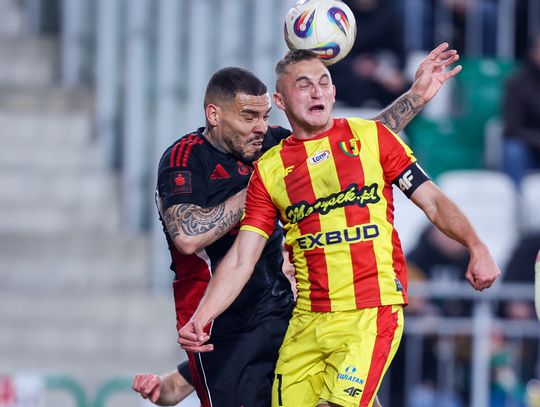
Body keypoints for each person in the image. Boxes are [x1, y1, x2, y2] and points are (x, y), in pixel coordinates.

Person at [178, 49, 500, 407]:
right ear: (281, 101)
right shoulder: (269, 171)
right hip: (307, 323)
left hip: (370, 312)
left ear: (333, 92)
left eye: (324, 83)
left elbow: (433, 201)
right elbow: (242, 258)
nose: (317, 92)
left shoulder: (372, 138)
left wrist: (477, 246)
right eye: (304, 85)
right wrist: (202, 317)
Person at [502, 32, 540, 186]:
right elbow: (513, 128)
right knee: (513, 150)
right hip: (528, 146)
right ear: (533, 52)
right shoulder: (517, 82)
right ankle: (516, 196)